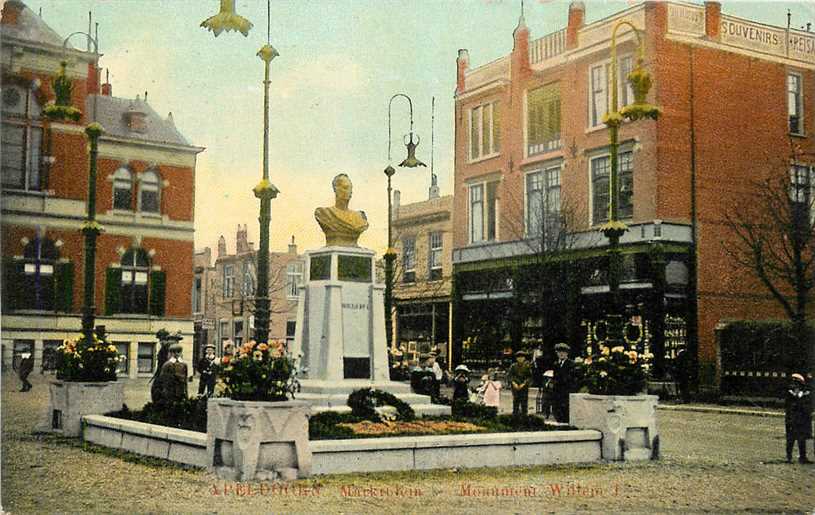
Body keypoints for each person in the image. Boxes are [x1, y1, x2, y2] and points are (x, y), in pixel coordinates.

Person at [314, 173, 369, 247]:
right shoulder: (324, 213)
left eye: (350, 188)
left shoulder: (359, 217)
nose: (349, 191)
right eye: (345, 187)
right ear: (336, 189)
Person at [784, 373, 812, 464]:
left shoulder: (805, 394)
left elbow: (808, 406)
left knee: (801, 439)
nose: (794, 385)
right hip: (792, 419)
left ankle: (802, 457)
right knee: (790, 439)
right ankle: (789, 457)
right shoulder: (790, 394)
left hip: (801, 420)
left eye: (796, 383)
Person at [158, 338, 188, 404]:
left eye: (179, 352)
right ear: (171, 353)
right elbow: (162, 378)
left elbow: (185, 380)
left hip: (180, 390)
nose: (176, 354)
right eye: (174, 352)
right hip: (170, 390)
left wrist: (186, 393)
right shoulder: (167, 364)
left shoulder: (184, 364)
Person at [552, 342, 575, 423]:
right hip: (557, 390)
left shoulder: (571, 364)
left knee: (565, 408)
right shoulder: (555, 364)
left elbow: (570, 378)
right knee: (557, 407)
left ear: (567, 353)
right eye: (559, 352)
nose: (561, 354)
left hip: (566, 390)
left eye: (563, 352)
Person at [508, 350, 532, 418]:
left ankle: (524, 417)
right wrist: (513, 383)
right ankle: (515, 416)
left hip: (524, 387)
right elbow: (510, 375)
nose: (520, 359)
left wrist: (524, 383)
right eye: (518, 357)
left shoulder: (527, 366)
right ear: (516, 358)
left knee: (524, 402)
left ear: (524, 358)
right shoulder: (513, 366)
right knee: (515, 401)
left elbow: (529, 377)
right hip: (515, 387)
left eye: (522, 357)